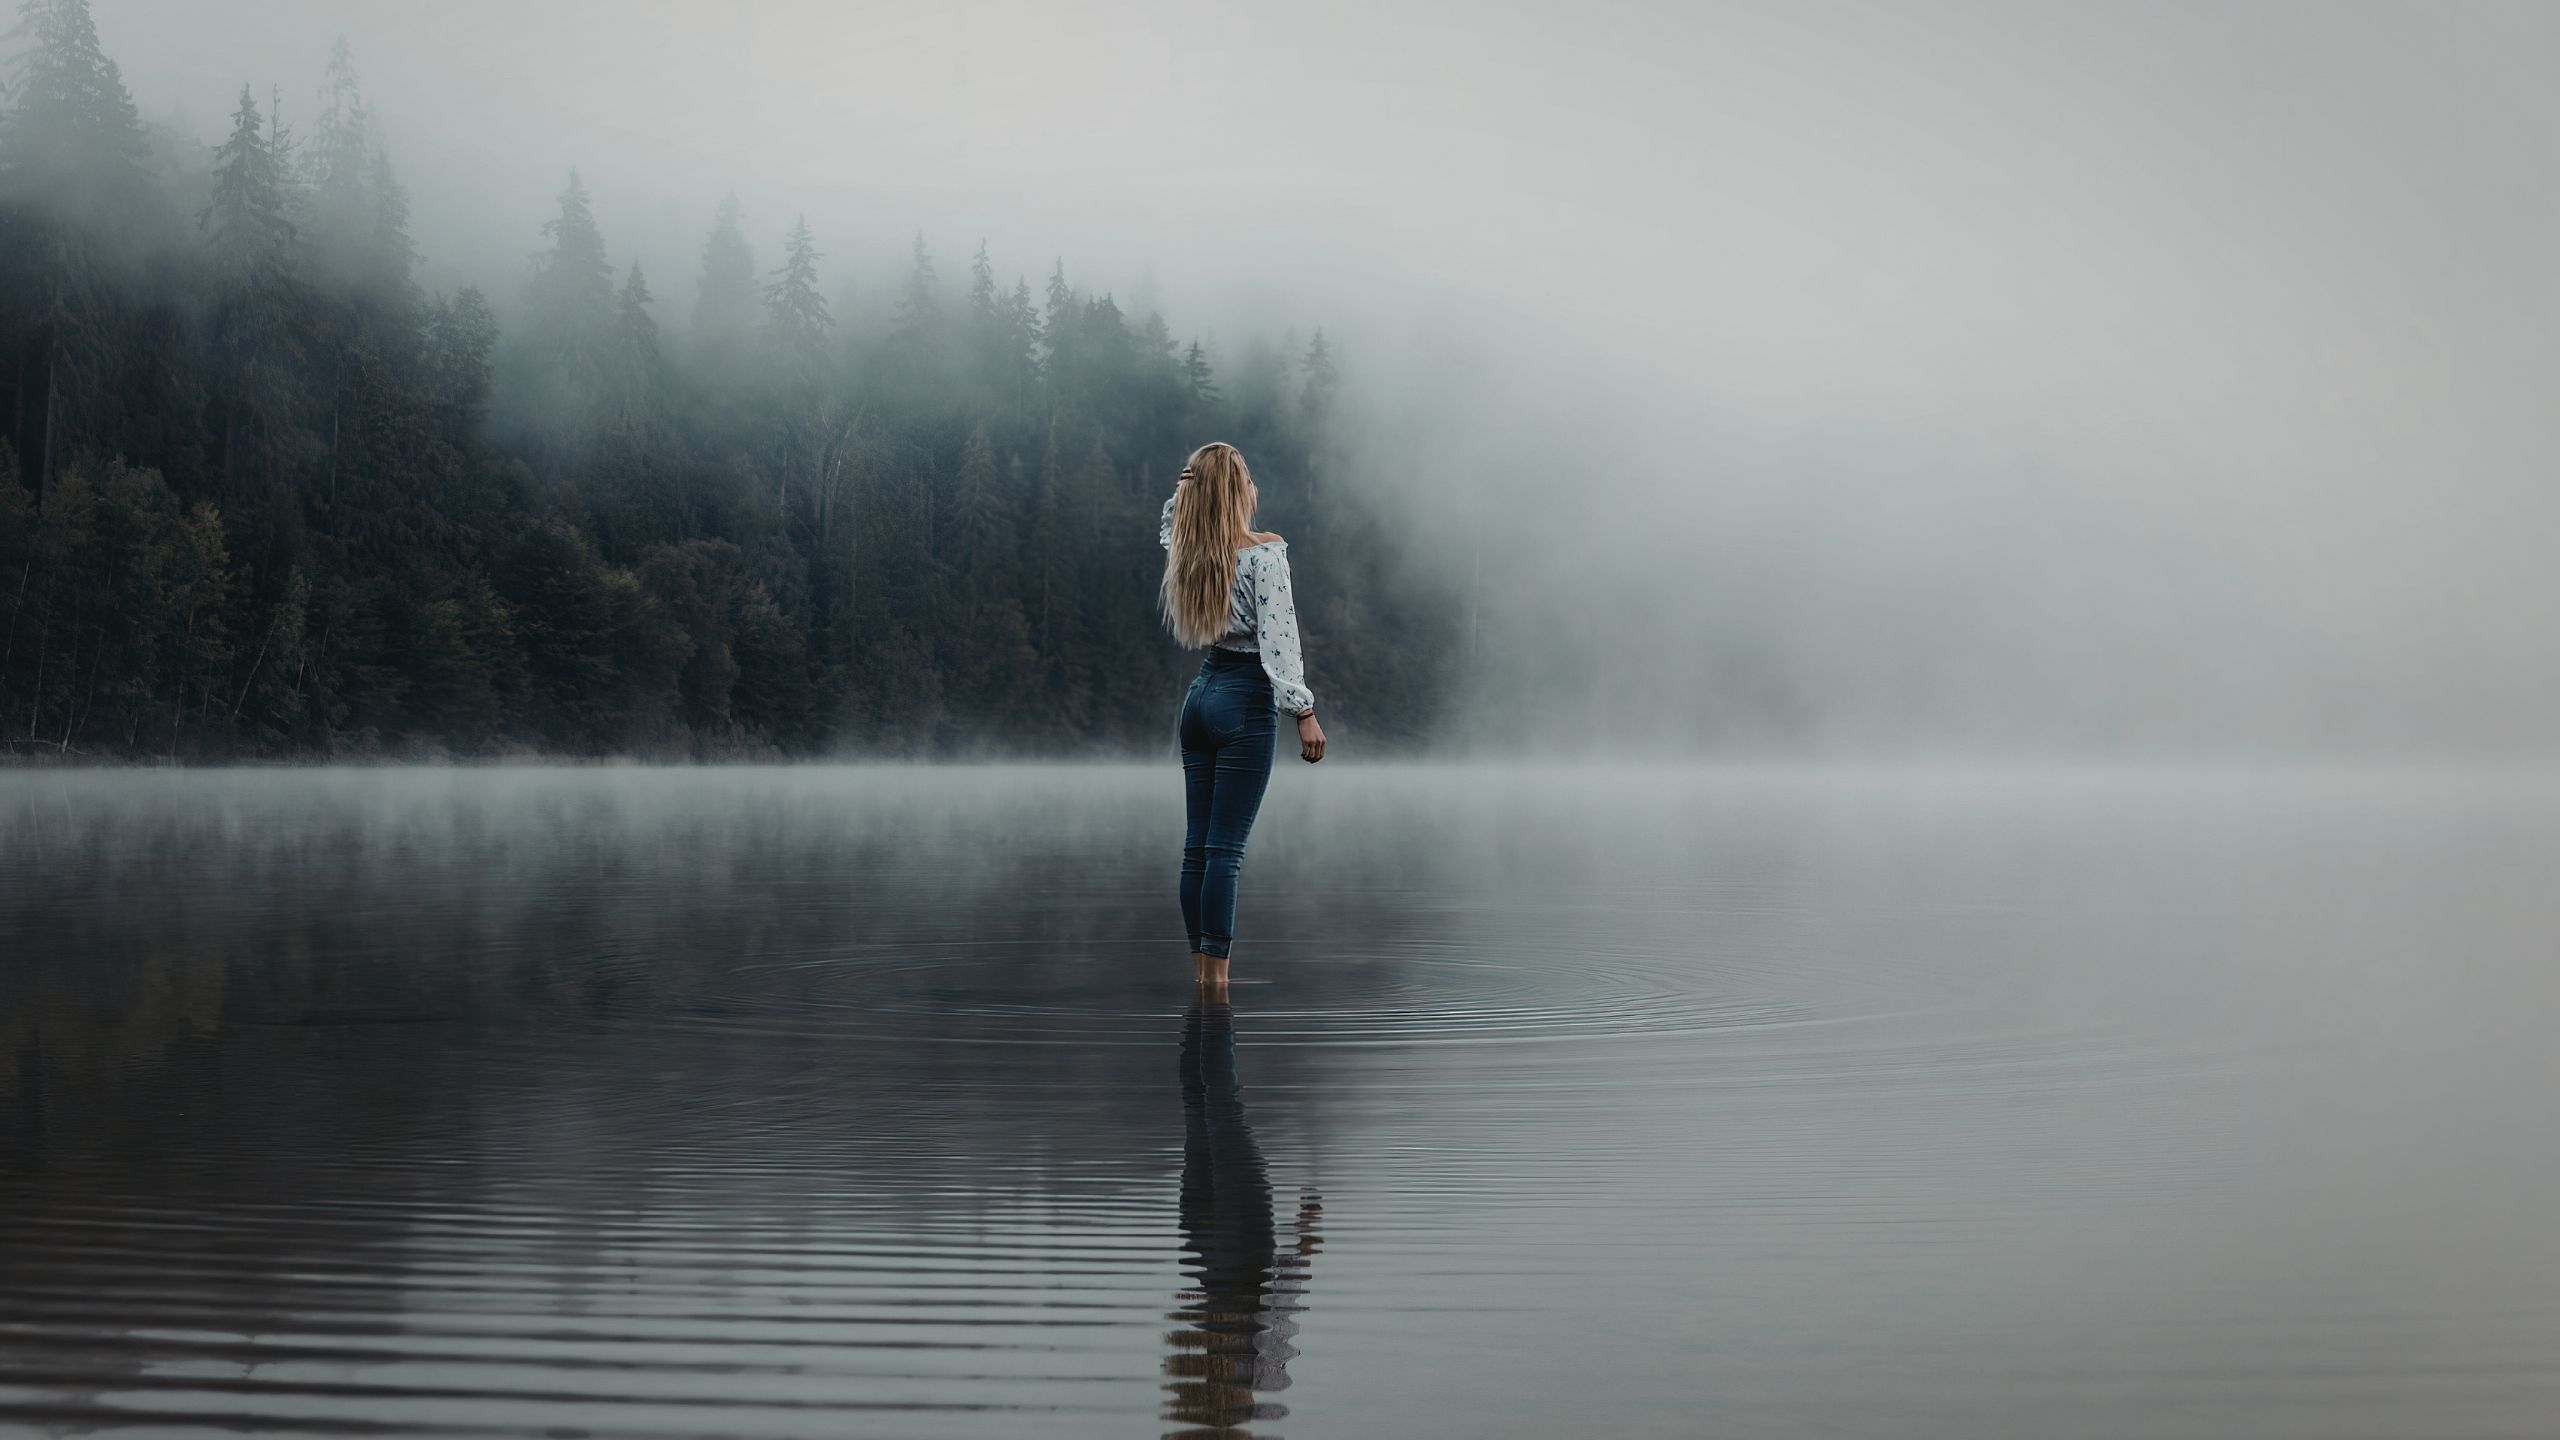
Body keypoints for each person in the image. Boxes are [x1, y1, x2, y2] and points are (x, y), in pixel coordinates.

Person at [1159, 442, 1326, 989]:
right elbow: (1280, 639)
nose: (1256, 487)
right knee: (1225, 851)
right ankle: (1220, 984)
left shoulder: (1191, 551)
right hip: (1245, 698)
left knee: (1197, 849)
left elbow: (1171, 521)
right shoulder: (1265, 553)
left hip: (1201, 695)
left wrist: (1185, 489)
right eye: (1248, 479)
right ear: (1237, 491)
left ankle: (1201, 977)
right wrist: (1302, 710)